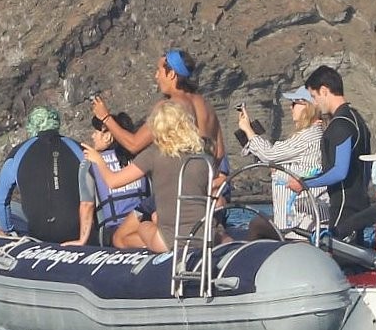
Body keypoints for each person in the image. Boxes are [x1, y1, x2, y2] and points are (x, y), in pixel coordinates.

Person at [82, 100, 213, 254]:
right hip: (207, 235)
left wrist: (99, 160)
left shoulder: (153, 155)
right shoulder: (204, 156)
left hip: (171, 240)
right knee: (157, 216)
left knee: (144, 226)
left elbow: (113, 182)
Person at [92, 49, 224, 176]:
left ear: (171, 74)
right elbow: (219, 153)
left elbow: (134, 144)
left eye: (159, 71)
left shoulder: (169, 108)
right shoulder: (207, 106)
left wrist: (106, 118)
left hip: (179, 187)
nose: (156, 76)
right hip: (205, 188)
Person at [294, 65, 376, 242]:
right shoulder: (357, 120)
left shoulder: (340, 124)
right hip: (360, 203)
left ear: (324, 91)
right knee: (353, 263)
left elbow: (339, 171)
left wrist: (304, 183)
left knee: (340, 261)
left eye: (315, 97)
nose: (314, 104)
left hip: (344, 207)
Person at [232, 88, 328, 238]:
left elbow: (269, 154)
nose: (290, 107)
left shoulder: (308, 136)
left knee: (256, 225)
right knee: (258, 224)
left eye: (294, 103)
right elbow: (276, 157)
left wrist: (248, 130)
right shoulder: (310, 134)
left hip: (301, 222)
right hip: (295, 219)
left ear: (308, 107)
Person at [0, 106, 89, 242]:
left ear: (32, 126)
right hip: (77, 234)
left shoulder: (18, 152)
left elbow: (0, 200)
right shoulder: (79, 148)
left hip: (39, 234)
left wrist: (8, 230)